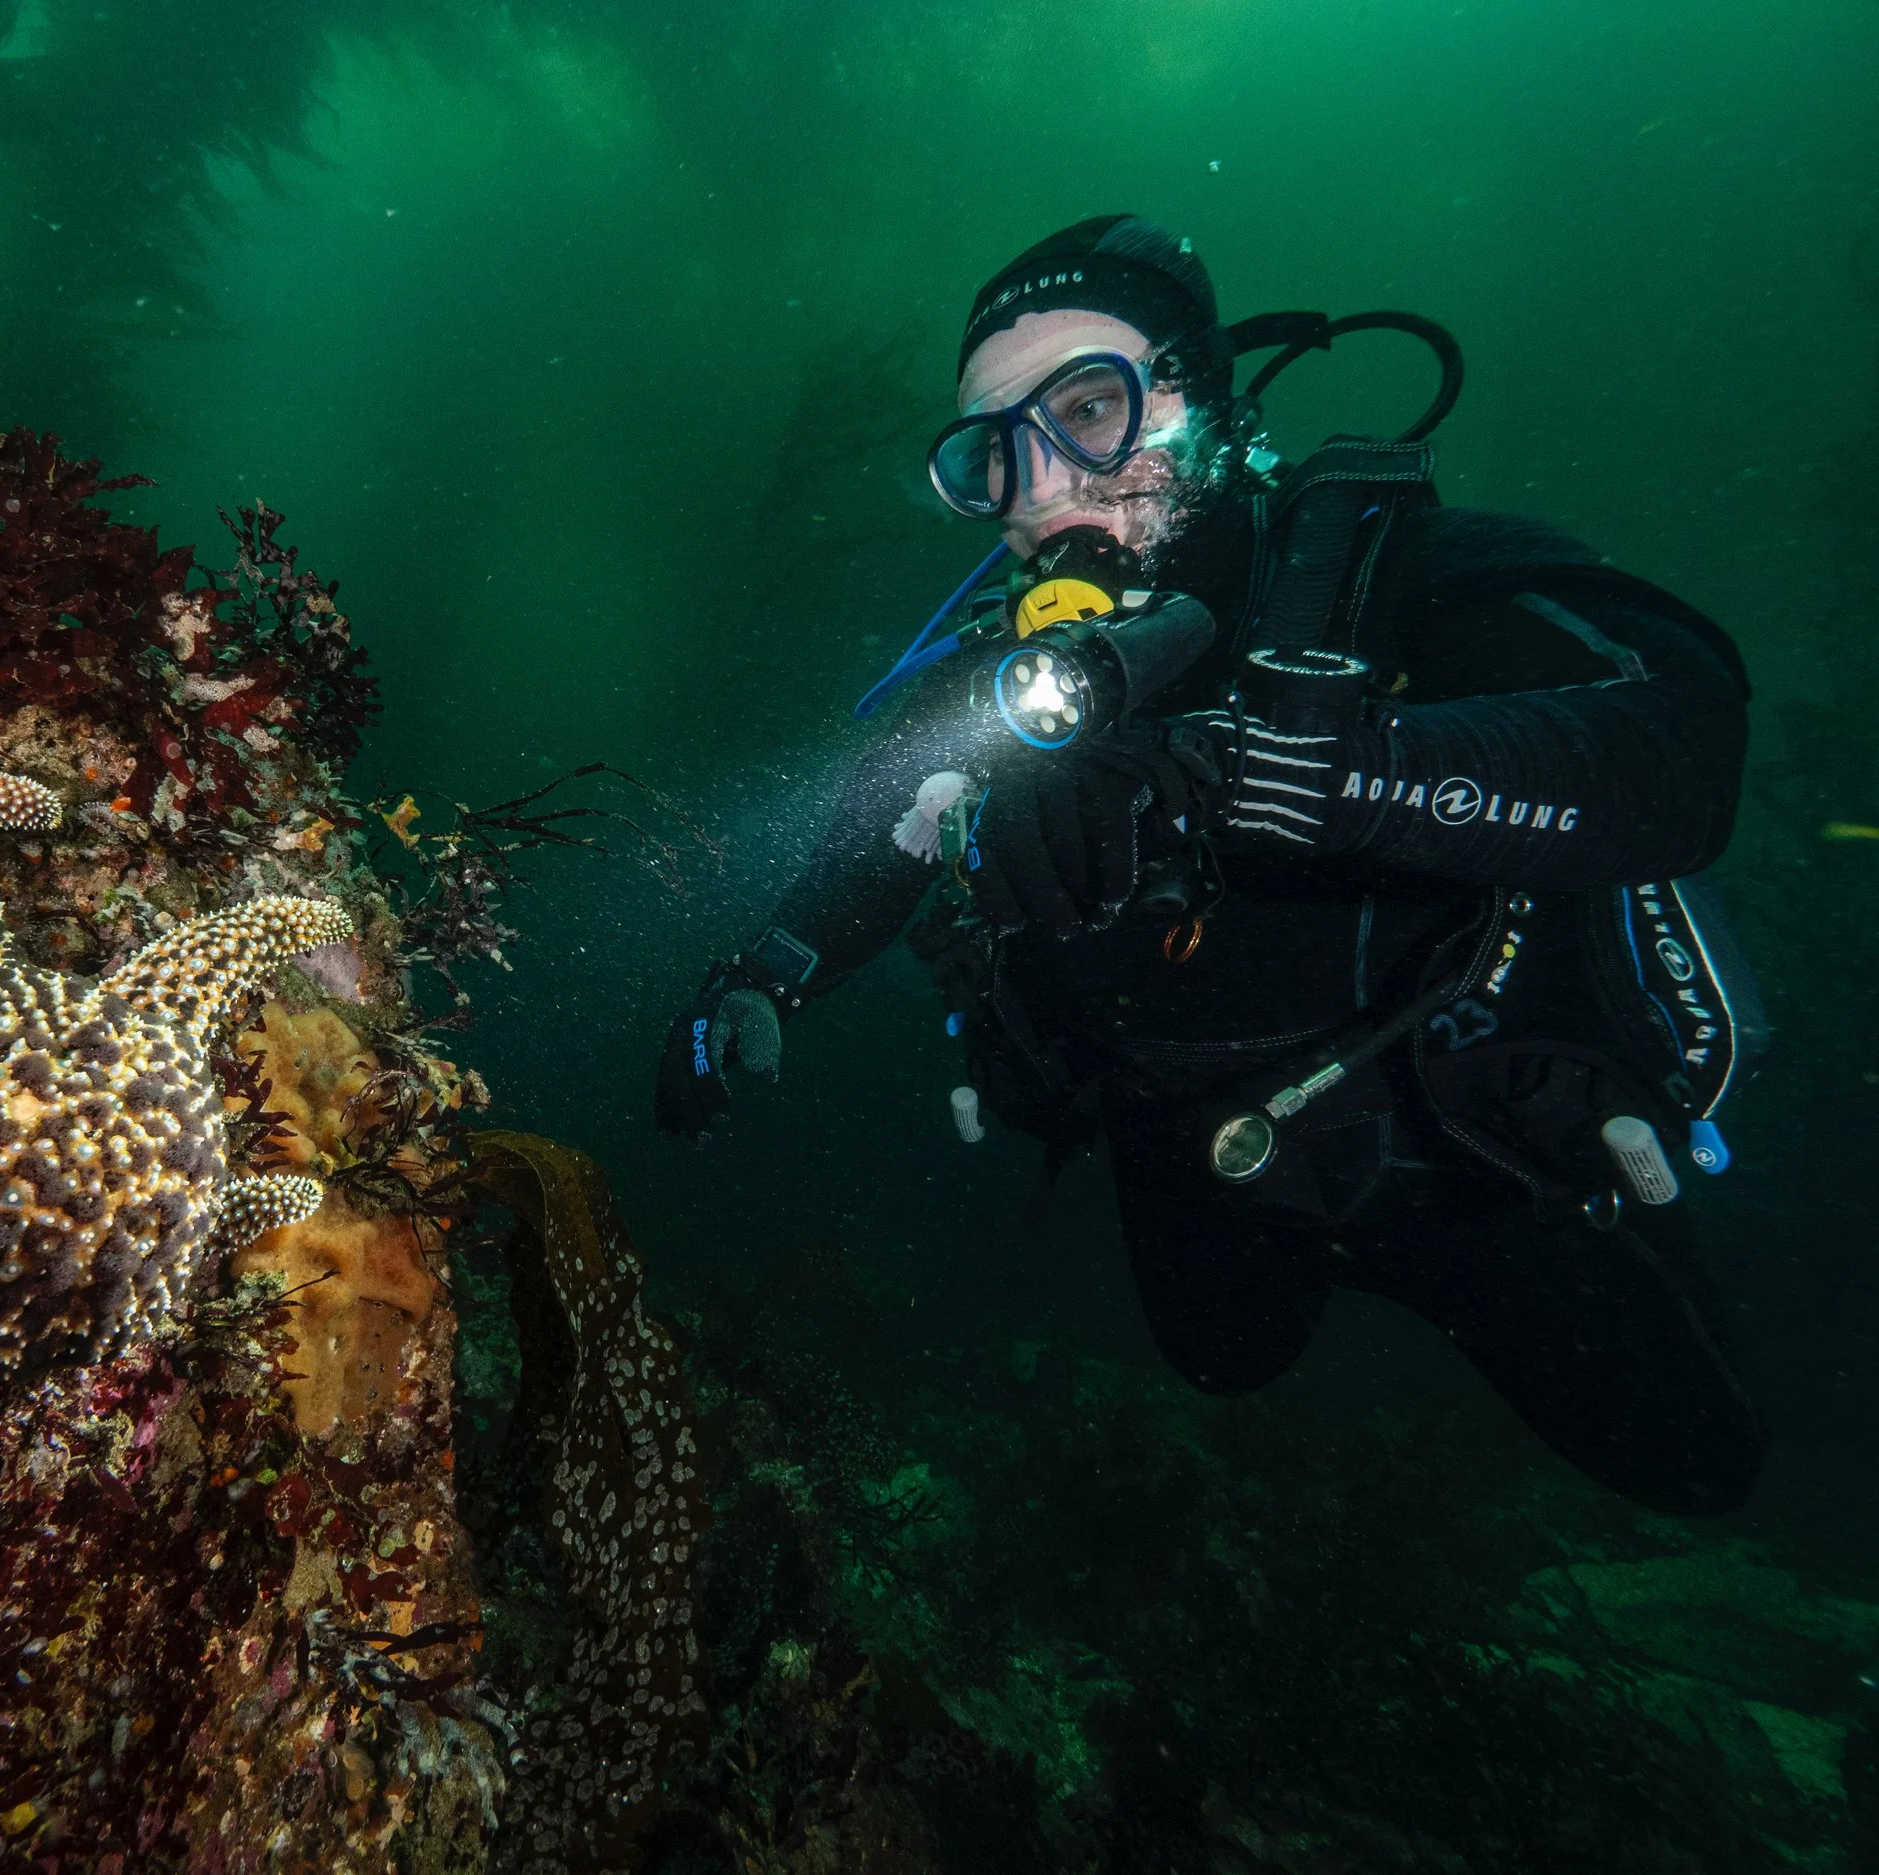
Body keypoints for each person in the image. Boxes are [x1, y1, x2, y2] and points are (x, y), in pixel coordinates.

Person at [654, 213, 1767, 1515]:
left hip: (1477, 1147)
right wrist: (767, 971)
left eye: (1090, 406)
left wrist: (1332, 773)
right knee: (1222, 1361)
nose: (1047, 481)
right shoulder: (993, 677)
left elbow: (1681, 735)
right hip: (1197, 1156)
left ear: (1211, 404)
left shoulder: (1383, 578)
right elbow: (884, 830)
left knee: (1697, 1461)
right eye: (995, 452)